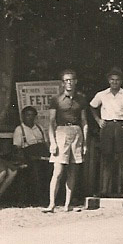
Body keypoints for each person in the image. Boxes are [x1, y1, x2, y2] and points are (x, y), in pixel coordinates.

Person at [45, 69, 89, 213]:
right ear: (62, 83)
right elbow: (51, 122)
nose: (69, 83)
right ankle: (51, 204)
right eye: (66, 81)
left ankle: (67, 204)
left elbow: (84, 122)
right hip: (61, 133)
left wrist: (85, 144)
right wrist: (52, 142)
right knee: (58, 171)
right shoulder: (56, 100)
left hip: (76, 133)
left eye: (71, 80)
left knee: (72, 171)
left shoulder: (81, 99)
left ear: (75, 81)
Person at [90, 68, 123, 197]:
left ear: (121, 81)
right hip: (107, 126)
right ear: (108, 81)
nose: (114, 82)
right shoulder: (102, 94)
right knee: (106, 159)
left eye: (117, 80)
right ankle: (104, 190)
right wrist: (98, 120)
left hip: (121, 126)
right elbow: (92, 106)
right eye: (112, 80)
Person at [13, 106, 50, 205]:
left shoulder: (40, 128)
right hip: (29, 156)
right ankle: (38, 199)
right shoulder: (19, 129)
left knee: (52, 169)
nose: (30, 118)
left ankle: (49, 197)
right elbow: (17, 147)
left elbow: (46, 143)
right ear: (23, 117)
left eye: (32, 115)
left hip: (42, 154)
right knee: (36, 171)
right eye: (27, 115)